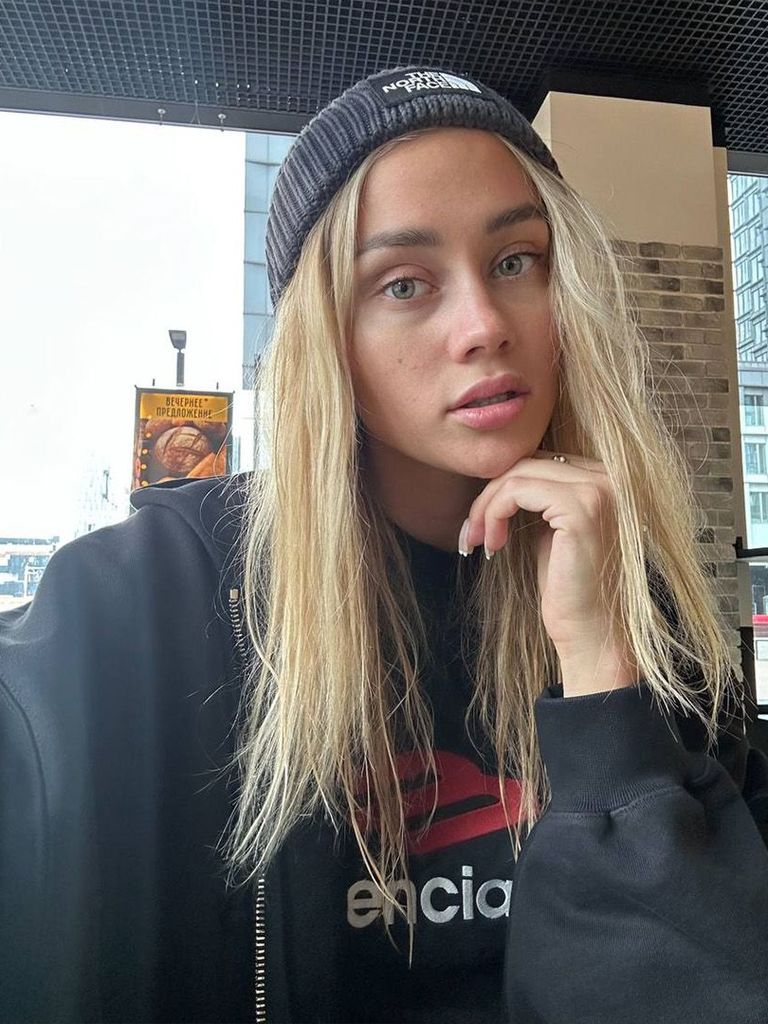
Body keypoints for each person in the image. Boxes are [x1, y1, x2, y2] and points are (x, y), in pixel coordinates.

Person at [2, 65, 768, 1024]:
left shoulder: (634, 603)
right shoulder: (151, 601)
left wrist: (606, 684)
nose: (483, 326)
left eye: (517, 261)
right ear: (326, 341)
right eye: (404, 283)